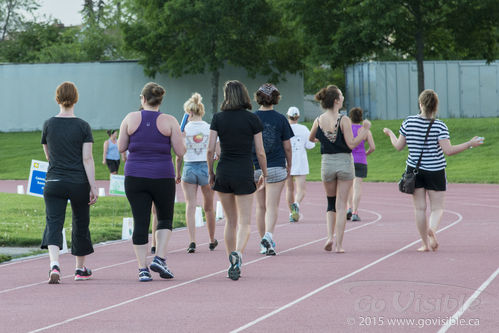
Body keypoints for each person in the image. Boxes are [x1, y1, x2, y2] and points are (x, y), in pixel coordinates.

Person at [383, 89, 484, 251]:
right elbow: (449, 150)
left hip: (414, 171)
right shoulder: (440, 126)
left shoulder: (408, 122)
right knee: (437, 208)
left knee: (419, 208)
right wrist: (469, 143)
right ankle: (432, 229)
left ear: (420, 104)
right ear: (436, 106)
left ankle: (424, 243)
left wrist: (390, 134)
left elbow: (398, 146)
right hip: (435, 170)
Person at [118, 82, 186, 282]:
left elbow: (122, 146)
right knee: (164, 218)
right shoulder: (170, 121)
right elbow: (181, 152)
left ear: (143, 99)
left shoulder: (130, 118)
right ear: (160, 100)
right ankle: (160, 258)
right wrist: (180, 137)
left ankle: (142, 268)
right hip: (162, 175)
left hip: (135, 176)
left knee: (141, 220)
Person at [207, 80, 267, 280]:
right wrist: (264, 174)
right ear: (244, 95)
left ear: (226, 96)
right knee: (244, 222)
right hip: (243, 171)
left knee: (229, 221)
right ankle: (238, 254)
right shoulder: (252, 119)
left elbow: (210, 149)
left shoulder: (218, 118)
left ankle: (229, 261)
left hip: (223, 170)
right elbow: (260, 151)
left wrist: (210, 172)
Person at [41, 81, 98, 284]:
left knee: (53, 222)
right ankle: (79, 269)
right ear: (76, 99)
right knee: (80, 222)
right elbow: (87, 159)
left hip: (54, 180)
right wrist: (93, 186)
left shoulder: (48, 124)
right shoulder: (83, 126)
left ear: (57, 99)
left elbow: (48, 154)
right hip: (78, 182)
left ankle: (54, 264)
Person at [309, 85, 371, 253]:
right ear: (336, 100)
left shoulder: (318, 119)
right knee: (342, 205)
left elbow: (311, 137)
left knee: (331, 203)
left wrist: (325, 140)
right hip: (344, 162)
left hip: (327, 163)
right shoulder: (343, 119)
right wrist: (364, 130)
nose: (343, 97)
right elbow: (351, 143)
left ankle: (329, 237)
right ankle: (339, 245)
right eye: (341, 95)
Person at [252, 84, 293, 256]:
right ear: (276, 98)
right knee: (272, 205)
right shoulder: (281, 119)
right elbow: (287, 146)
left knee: (260, 207)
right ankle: (269, 236)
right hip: (276, 166)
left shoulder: (252, 118)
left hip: (255, 167)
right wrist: (289, 165)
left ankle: (263, 243)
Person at [176, 93, 218, 253]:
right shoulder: (209, 127)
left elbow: (179, 154)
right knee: (208, 207)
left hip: (189, 166)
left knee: (190, 205)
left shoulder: (184, 129)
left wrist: (178, 172)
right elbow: (215, 150)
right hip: (205, 167)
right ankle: (211, 239)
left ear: (190, 112)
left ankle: (192, 241)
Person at [285, 106, 315, 223]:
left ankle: (292, 213)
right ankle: (296, 204)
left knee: (289, 189)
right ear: (298, 117)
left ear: (288, 116)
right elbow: (310, 145)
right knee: (301, 190)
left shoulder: (284, 128)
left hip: (287, 162)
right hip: (300, 162)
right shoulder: (303, 129)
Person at [346, 107, 375, 222]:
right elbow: (373, 147)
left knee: (348, 186)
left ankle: (348, 208)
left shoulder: (346, 129)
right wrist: (365, 154)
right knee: (357, 186)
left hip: (349, 160)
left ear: (350, 117)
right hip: (361, 161)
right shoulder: (365, 130)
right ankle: (355, 212)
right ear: (361, 117)